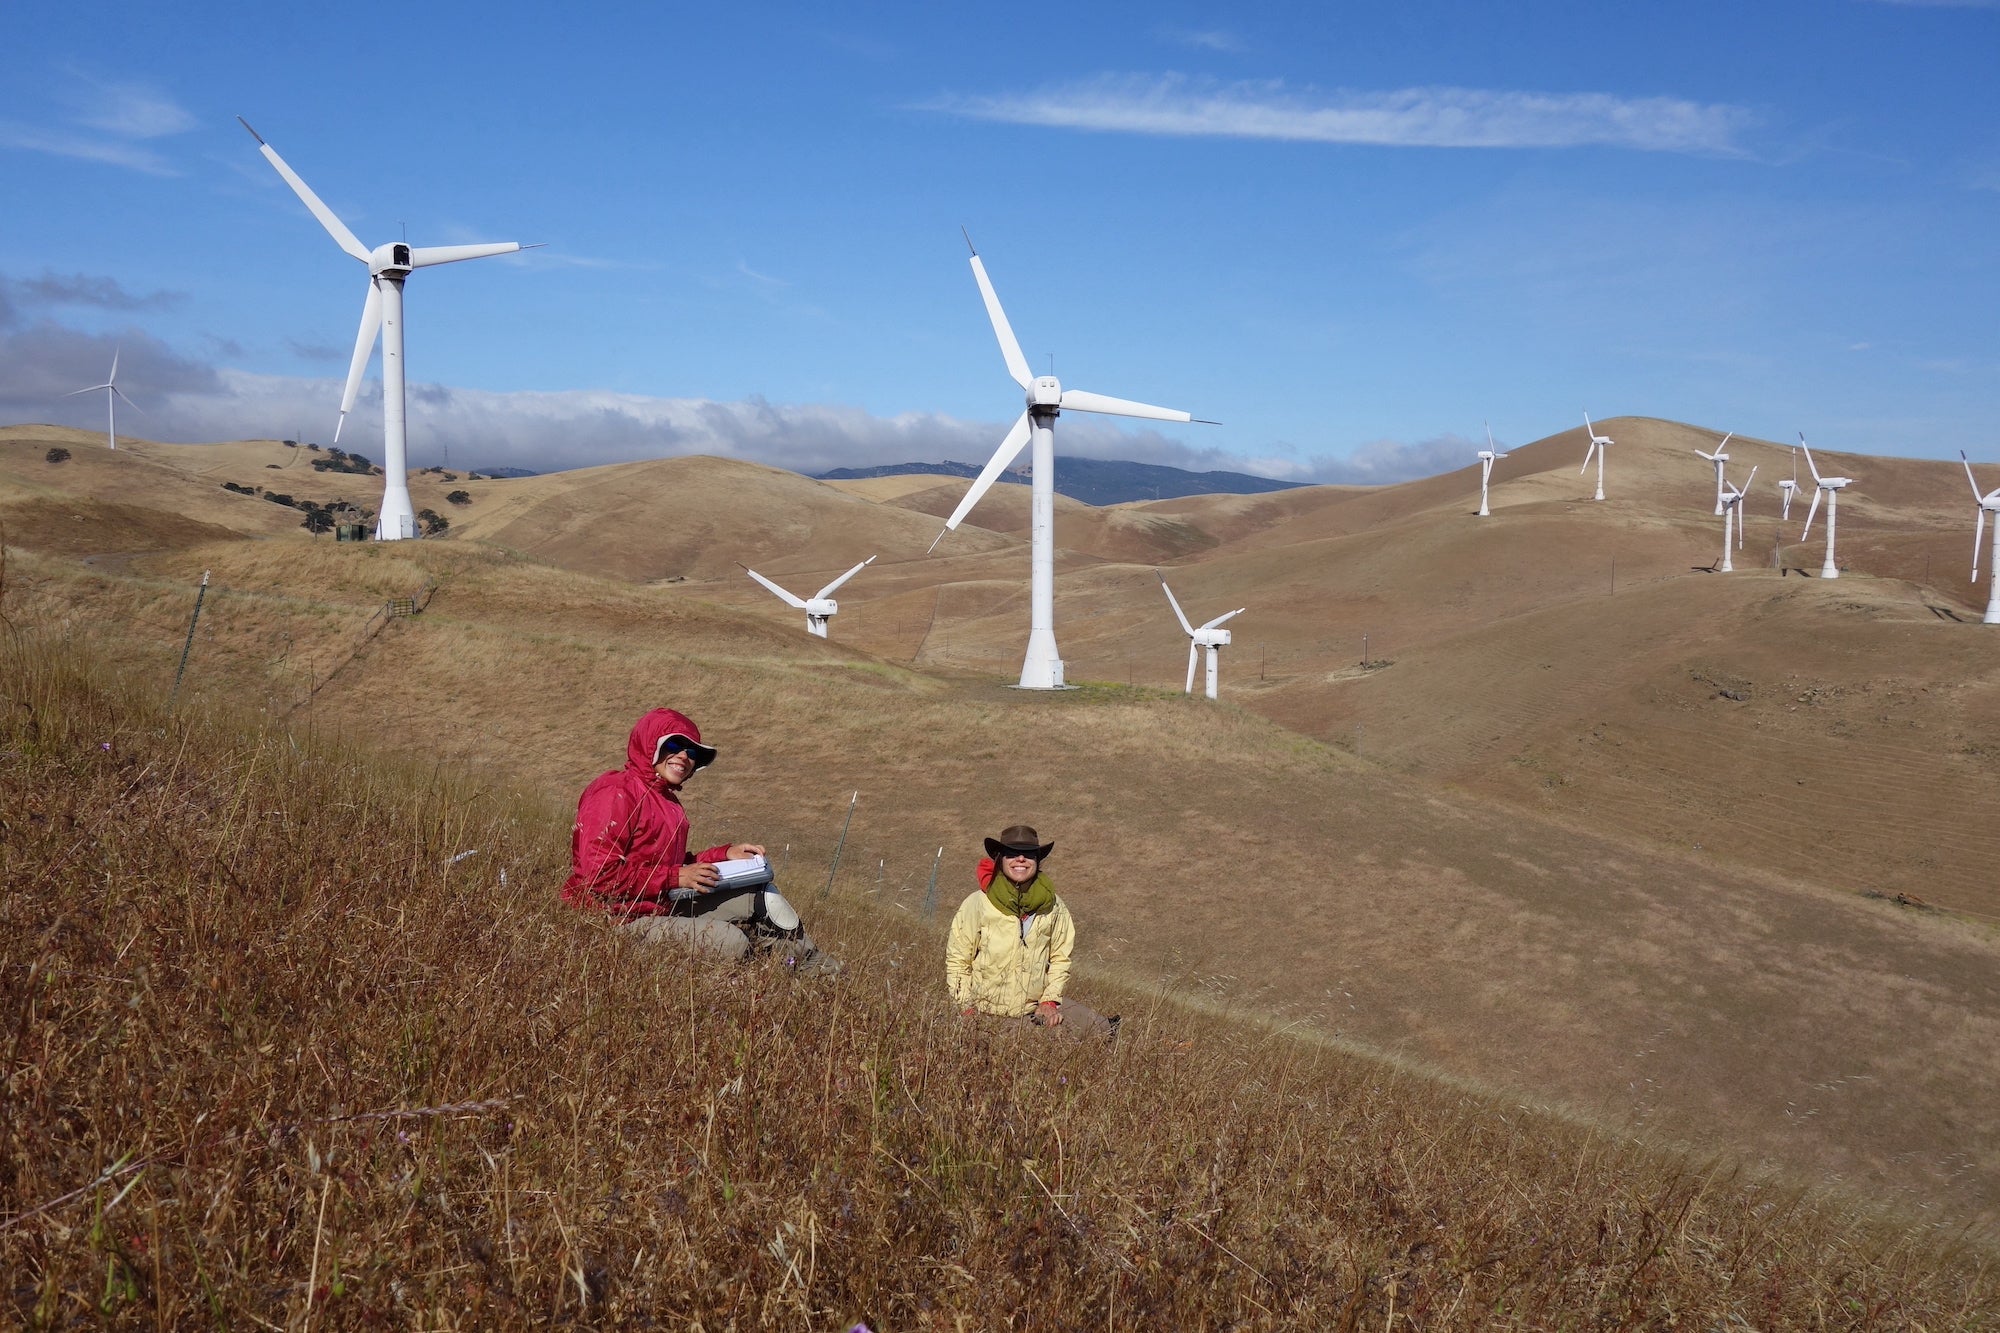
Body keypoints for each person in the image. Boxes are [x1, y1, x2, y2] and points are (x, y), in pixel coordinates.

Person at [560, 707, 835, 973]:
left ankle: (816, 967)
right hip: (615, 921)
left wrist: (724, 855)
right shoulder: (614, 792)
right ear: (649, 744)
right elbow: (600, 877)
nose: (683, 756)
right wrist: (675, 877)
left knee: (762, 898)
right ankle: (763, 968)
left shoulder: (668, 802)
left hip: (661, 905)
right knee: (731, 942)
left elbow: (673, 864)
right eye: (674, 745)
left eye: (692, 753)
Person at [944, 824, 1114, 1038]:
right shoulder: (977, 904)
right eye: (1011, 853)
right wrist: (966, 1009)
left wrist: (1049, 1001)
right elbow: (958, 960)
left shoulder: (1054, 906)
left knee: (1101, 1030)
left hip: (1035, 1009)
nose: (1021, 859)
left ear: (1038, 860)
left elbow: (1060, 958)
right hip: (985, 1013)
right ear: (1000, 859)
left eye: (1029, 854)